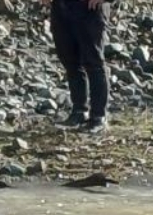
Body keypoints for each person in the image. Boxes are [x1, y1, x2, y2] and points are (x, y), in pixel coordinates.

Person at [42, 0, 112, 133]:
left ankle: (98, 117)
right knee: (71, 62)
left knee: (94, 62)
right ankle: (79, 112)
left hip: (90, 9)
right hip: (61, 9)